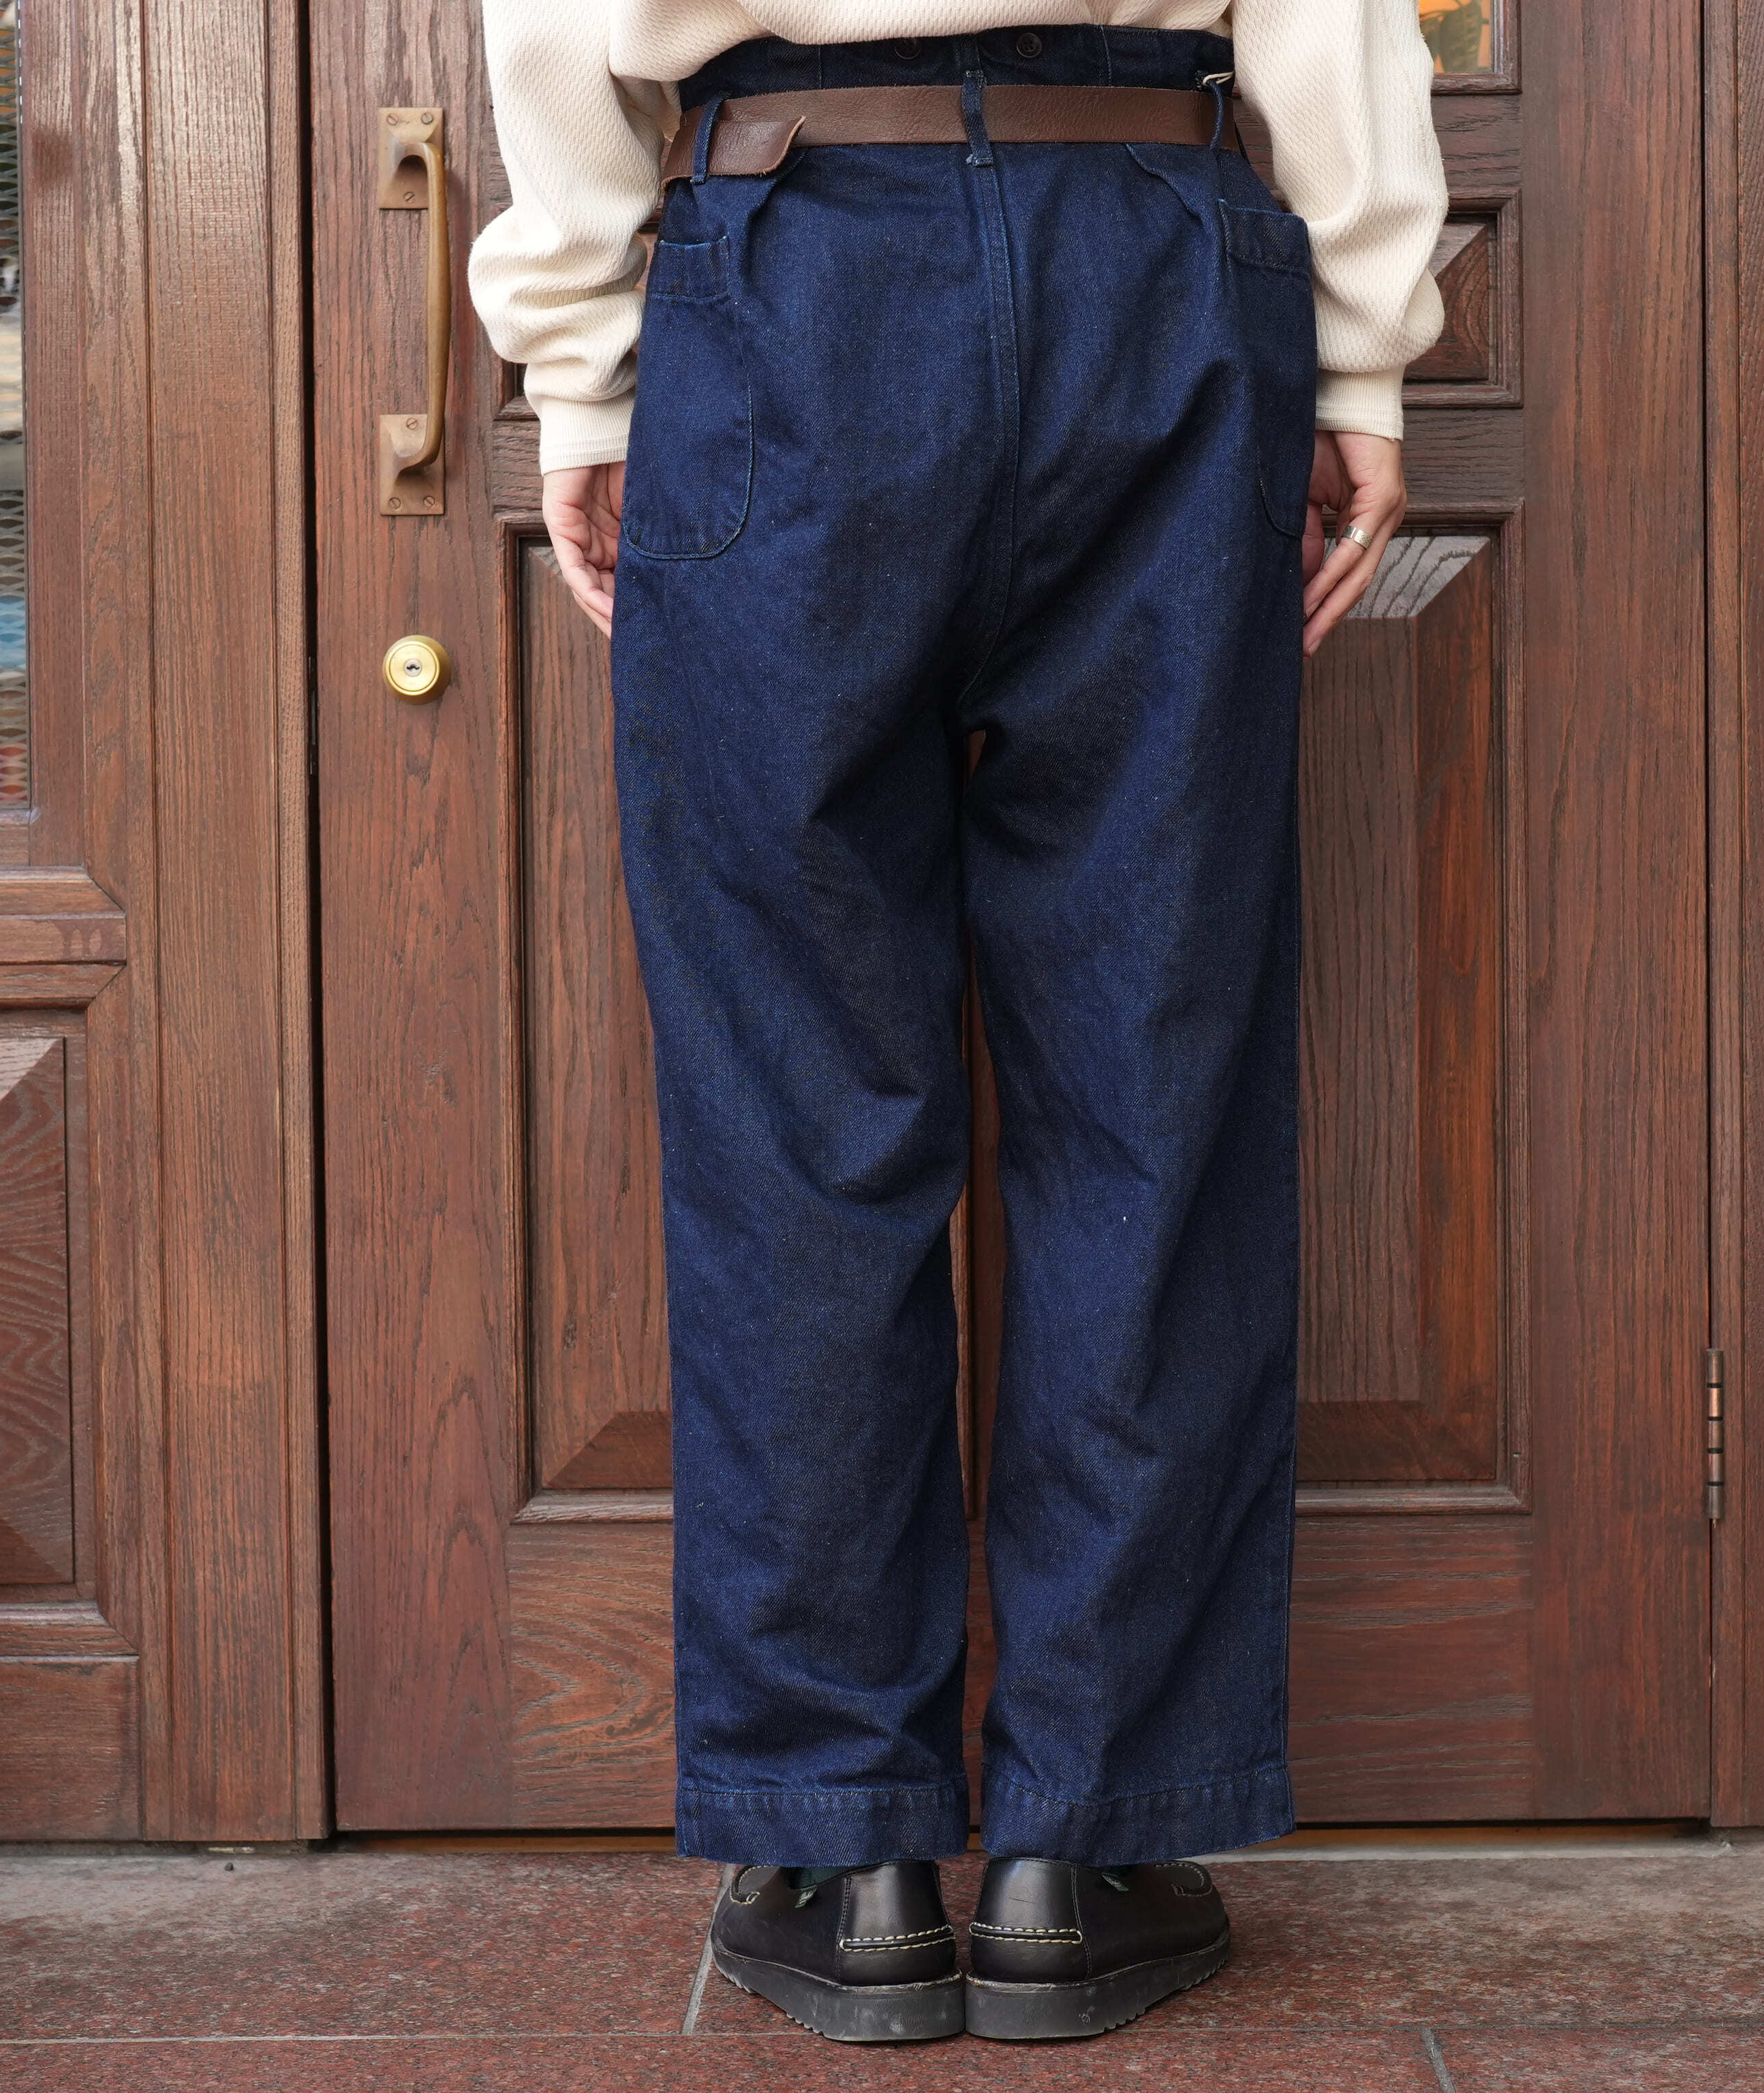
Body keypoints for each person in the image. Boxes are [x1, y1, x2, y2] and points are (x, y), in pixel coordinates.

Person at [471, 0, 1446, 2046]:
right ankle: (1083, 1855)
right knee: (1153, 1082)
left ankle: (846, 1855)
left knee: (796, 1109)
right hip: (1154, 249)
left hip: (790, 267)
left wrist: (577, 372)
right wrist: (1361, 343)